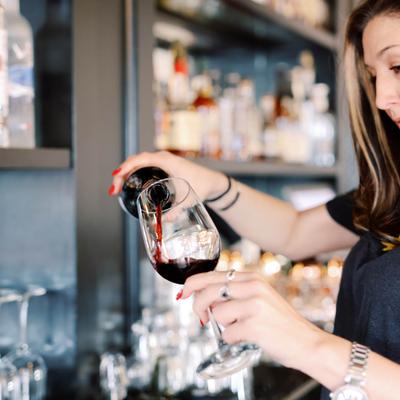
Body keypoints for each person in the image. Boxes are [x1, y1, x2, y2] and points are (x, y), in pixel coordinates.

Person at [109, 0, 400, 398]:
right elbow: (294, 232)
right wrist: (209, 184)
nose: (382, 97)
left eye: (398, 67)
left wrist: (309, 344)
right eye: (373, 75)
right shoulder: (393, 191)